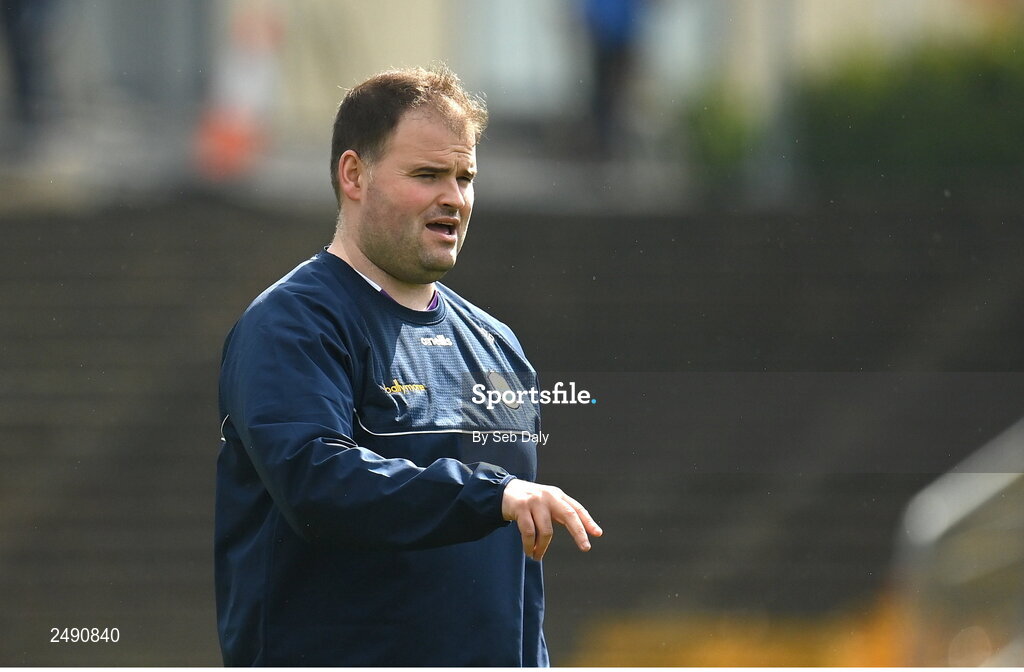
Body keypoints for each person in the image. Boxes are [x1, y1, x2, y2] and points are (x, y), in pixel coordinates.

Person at [215, 65, 602, 666]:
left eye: (465, 176)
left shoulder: (499, 347)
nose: (454, 197)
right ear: (354, 175)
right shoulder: (293, 324)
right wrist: (489, 494)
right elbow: (317, 483)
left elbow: (514, 577)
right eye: (427, 175)